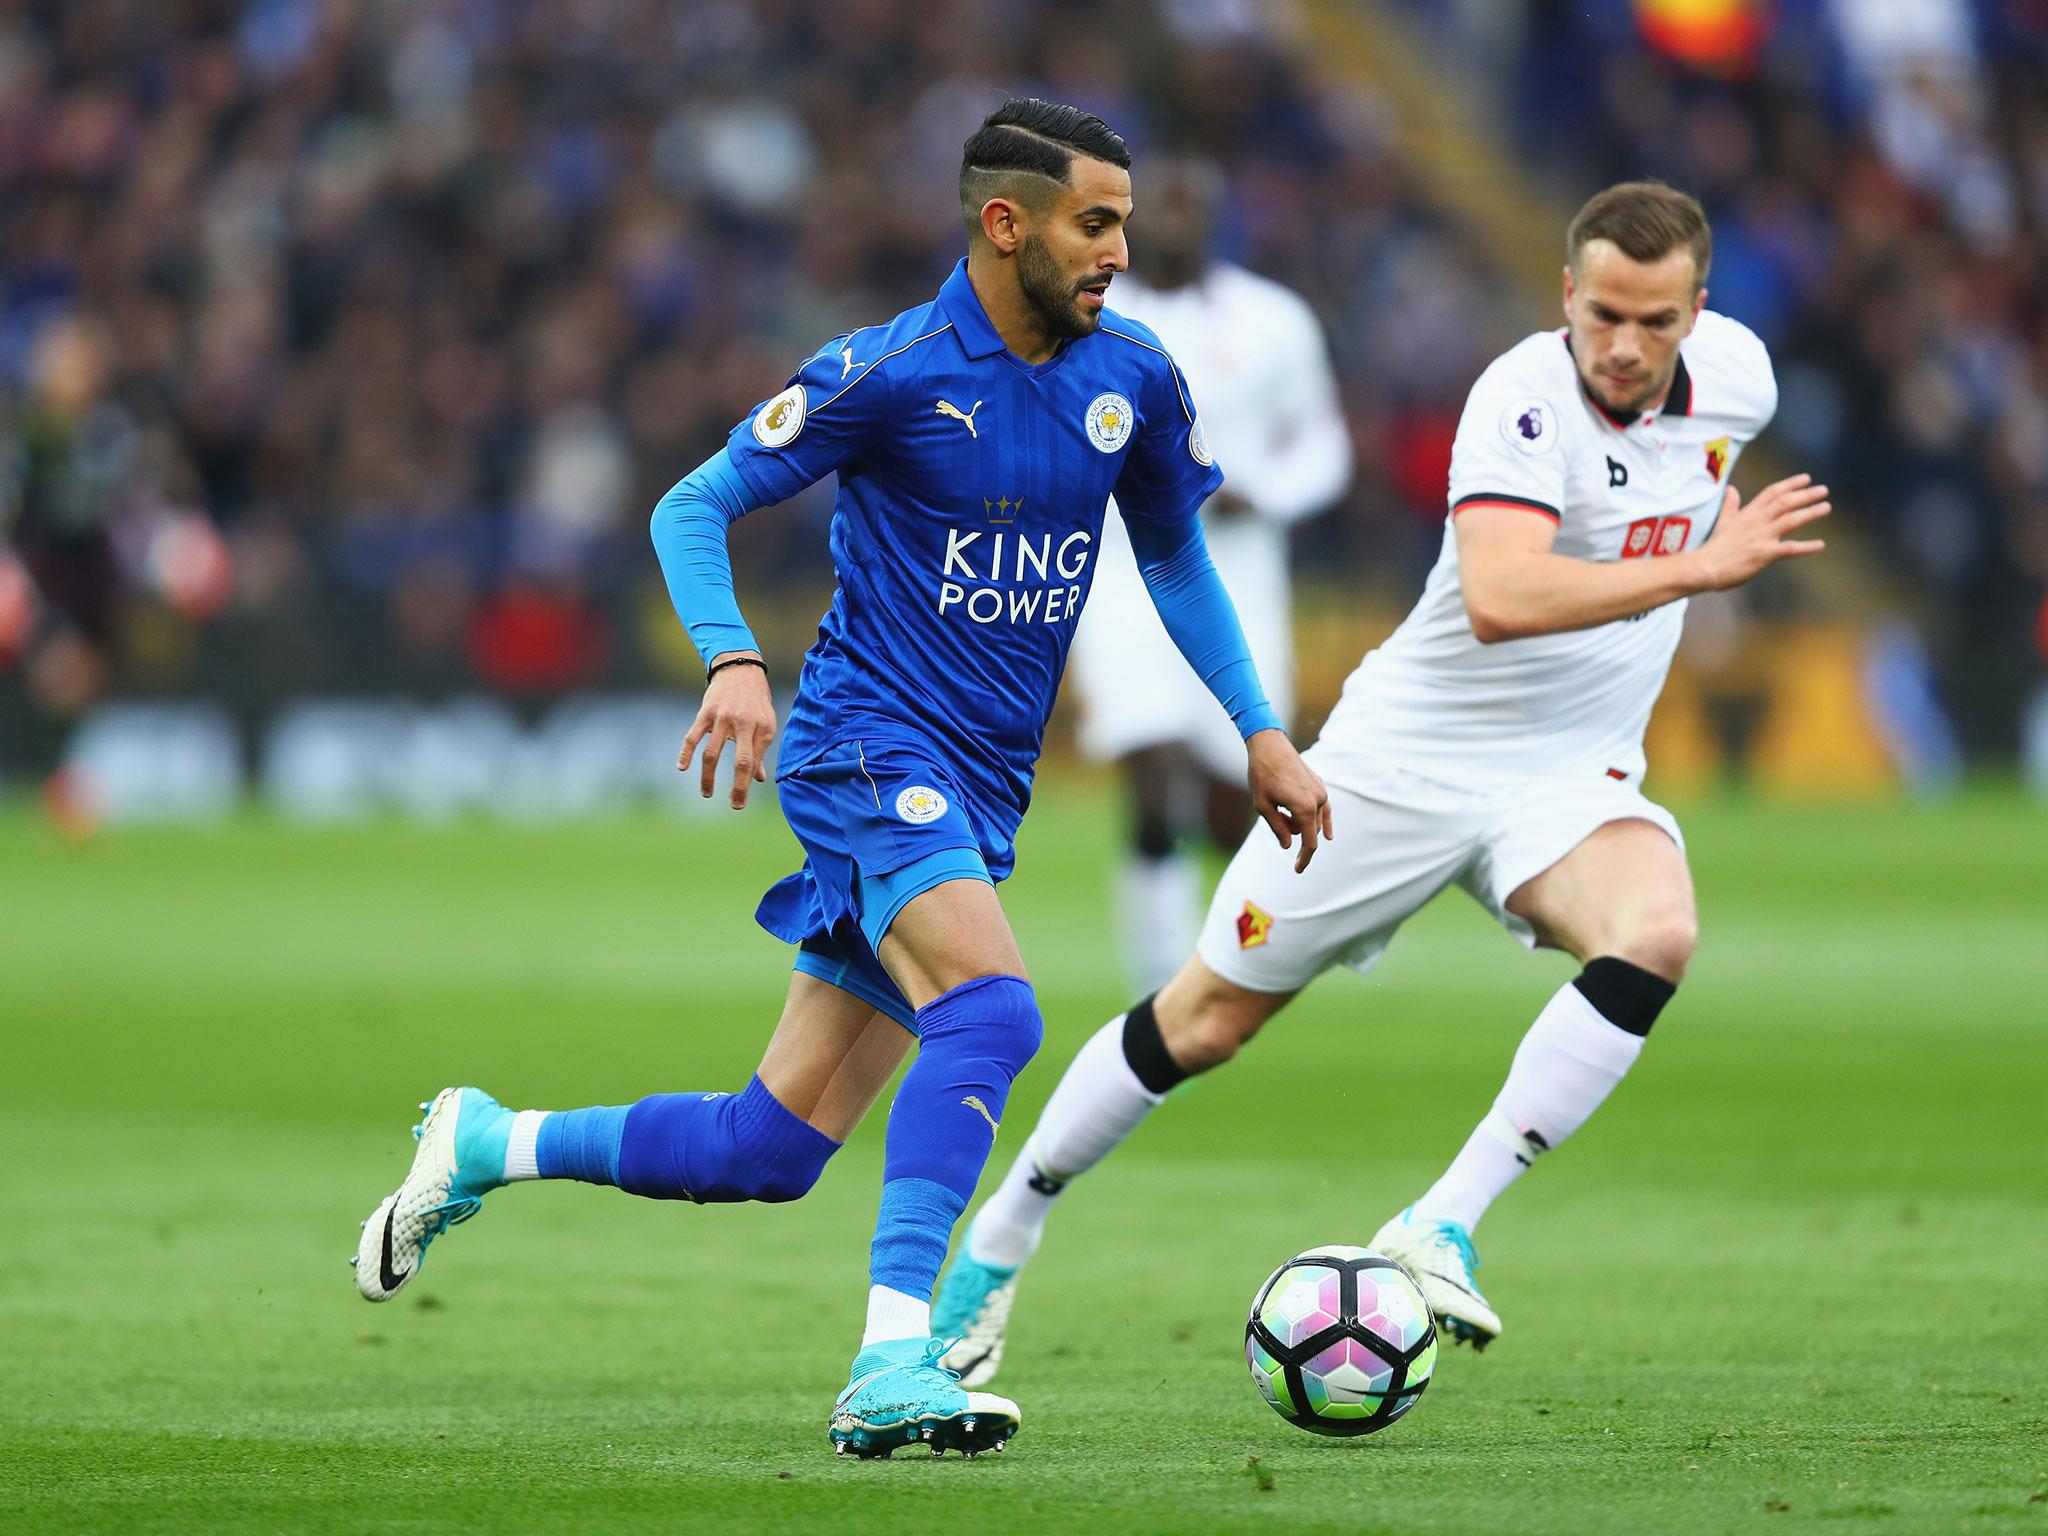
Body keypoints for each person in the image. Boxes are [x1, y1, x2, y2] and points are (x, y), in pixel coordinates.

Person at [347, 99, 1331, 1460]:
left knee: (769, 1147)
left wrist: (1259, 731)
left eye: (1123, 219)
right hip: (866, 747)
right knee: (990, 1014)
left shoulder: (1136, 379)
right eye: (1093, 222)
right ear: (1006, 224)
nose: (1121, 246)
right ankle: (890, 1361)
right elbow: (693, 505)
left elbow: (1172, 554)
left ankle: (485, 1143)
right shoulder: (892, 370)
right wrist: (732, 661)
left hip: (979, 788)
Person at [933, 181, 1830, 1383]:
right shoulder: (1517, 399)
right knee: (1203, 1021)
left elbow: (1671, 483)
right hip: (1398, 764)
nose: (1622, 345)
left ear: (1696, 314)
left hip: (1567, 777)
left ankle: (1438, 1223)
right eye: (1602, 312)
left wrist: (1690, 543)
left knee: (1656, 931)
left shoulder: (1739, 379)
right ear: (1565, 293)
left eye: (1653, 322)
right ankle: (1003, 1232)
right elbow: (1505, 596)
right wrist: (1698, 568)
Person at [1067, 157, 1352, 992]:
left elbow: (1325, 448)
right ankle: (1159, 981)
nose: (1179, 224)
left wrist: (1263, 493)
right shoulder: (1088, 315)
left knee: (1239, 796)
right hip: (1118, 566)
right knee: (1151, 767)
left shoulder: (1276, 320)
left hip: (1240, 569)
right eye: (1166, 209)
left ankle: (1240, 956)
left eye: (1198, 208)